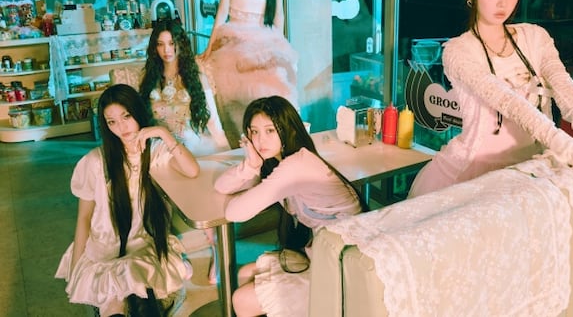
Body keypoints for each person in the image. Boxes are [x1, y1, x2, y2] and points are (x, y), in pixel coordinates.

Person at [408, 0, 573, 198]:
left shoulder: (534, 37)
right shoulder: (459, 51)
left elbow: (565, 87)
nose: (503, 3)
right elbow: (510, 103)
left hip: (531, 166)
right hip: (474, 169)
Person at [55, 84, 200, 316]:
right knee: (115, 305)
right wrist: (76, 266)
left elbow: (192, 170)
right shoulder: (95, 161)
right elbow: (84, 217)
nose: (121, 127)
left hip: (142, 243)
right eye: (112, 122)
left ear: (137, 113)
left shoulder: (154, 150)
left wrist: (162, 132)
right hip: (104, 248)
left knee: (141, 299)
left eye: (126, 116)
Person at [214, 95, 364, 317]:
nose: (260, 140)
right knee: (245, 273)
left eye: (269, 130)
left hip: (345, 264)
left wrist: (254, 167)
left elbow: (234, 212)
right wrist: (251, 164)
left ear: (287, 129)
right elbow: (221, 186)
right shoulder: (280, 162)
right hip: (322, 251)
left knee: (241, 299)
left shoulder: (296, 166)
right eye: (254, 132)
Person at [198, 0, 298, 147]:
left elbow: (278, 13)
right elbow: (222, 10)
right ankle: (242, 143)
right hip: (235, 34)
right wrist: (210, 46)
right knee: (236, 90)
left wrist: (280, 43)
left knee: (277, 84)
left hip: (264, 35)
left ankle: (276, 141)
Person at [140, 19, 230, 157]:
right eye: (160, 44)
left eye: (172, 43)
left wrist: (228, 152)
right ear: (154, 47)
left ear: (181, 43)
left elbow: (213, 120)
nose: (166, 50)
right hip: (163, 150)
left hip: (196, 147)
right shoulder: (149, 79)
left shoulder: (197, 78)